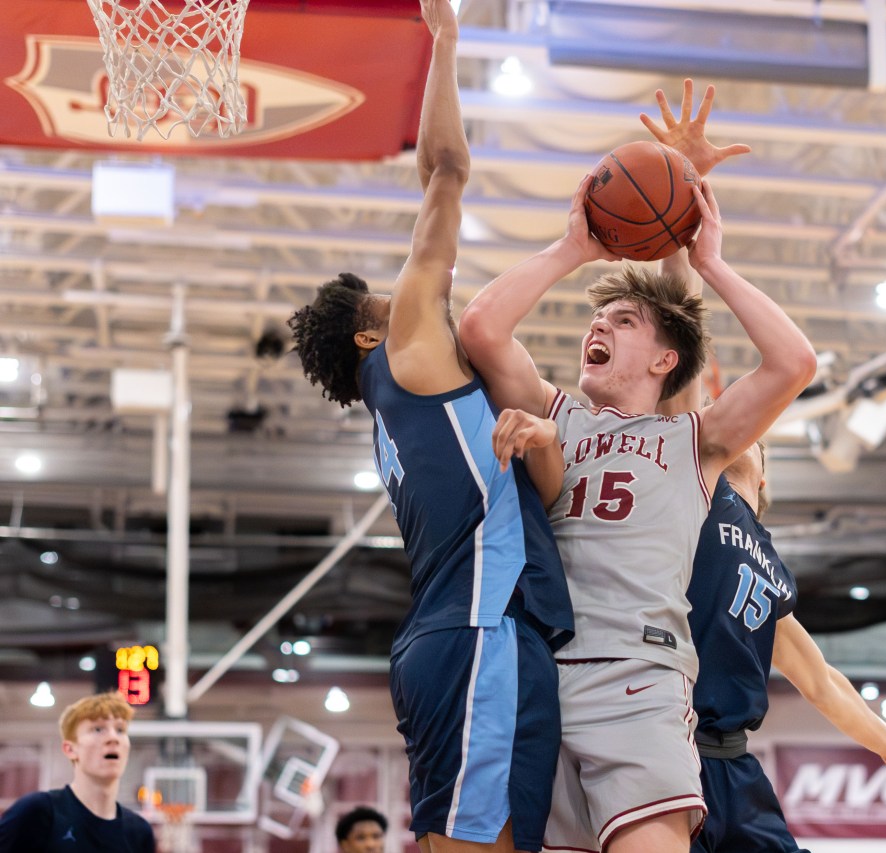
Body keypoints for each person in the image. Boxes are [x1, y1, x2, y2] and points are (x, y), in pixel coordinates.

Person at [460, 83, 818, 853]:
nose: (600, 322)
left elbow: (794, 361)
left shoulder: (698, 440)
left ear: (664, 358)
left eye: (623, 320)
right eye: (599, 317)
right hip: (544, 684)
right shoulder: (557, 413)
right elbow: (483, 327)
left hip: (640, 682)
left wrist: (708, 260)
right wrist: (573, 249)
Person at [287, 3, 573, 852]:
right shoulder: (409, 347)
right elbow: (445, 168)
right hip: (476, 630)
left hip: (468, 633)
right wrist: (446, 42)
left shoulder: (400, 409)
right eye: (386, 292)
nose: (404, 288)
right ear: (370, 333)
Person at [686, 441, 886, 853]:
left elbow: (821, 681)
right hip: (674, 746)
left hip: (733, 762)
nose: (748, 433)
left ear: (764, 478)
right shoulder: (697, 489)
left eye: (758, 440)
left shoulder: (768, 562)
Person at [0, 690, 155, 853]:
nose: (113, 738)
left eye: (120, 730)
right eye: (98, 729)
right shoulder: (36, 812)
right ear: (70, 749)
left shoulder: (139, 831)